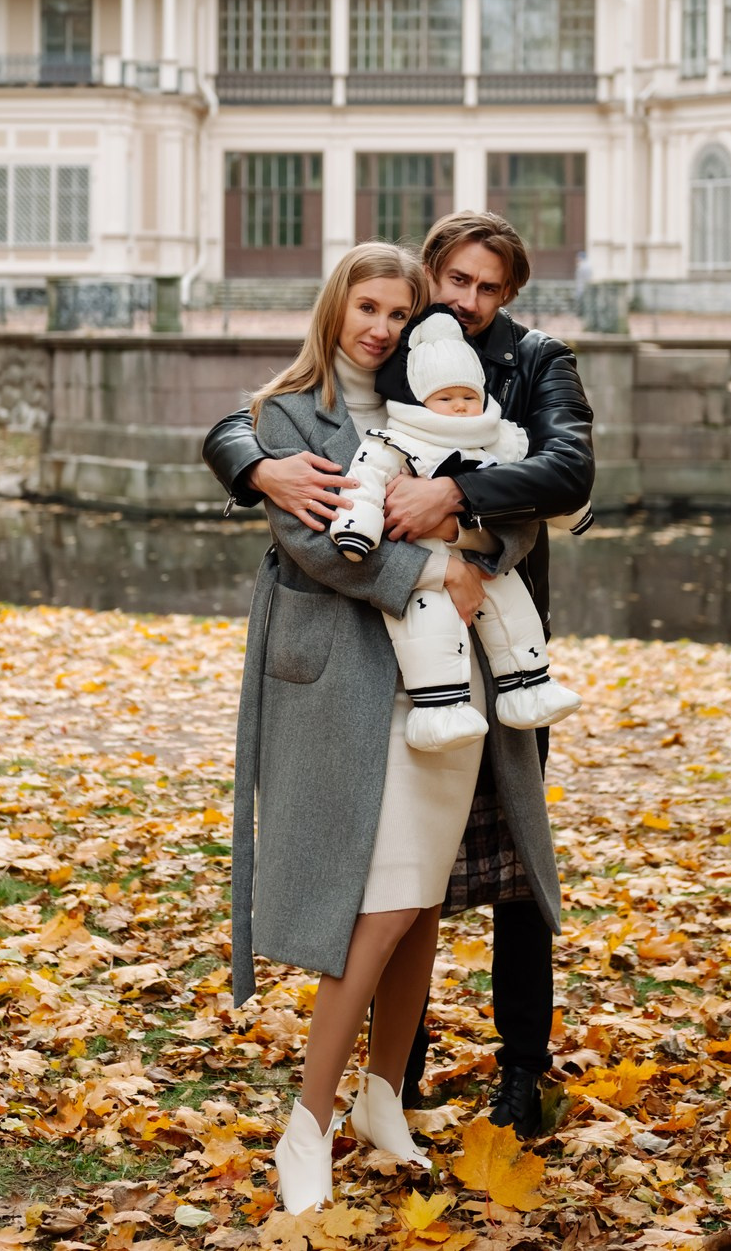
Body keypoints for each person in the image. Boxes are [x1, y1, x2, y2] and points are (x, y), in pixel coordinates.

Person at [206, 211, 595, 1138]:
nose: (464, 302)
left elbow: (564, 472)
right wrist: (252, 464)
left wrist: (458, 509)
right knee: (392, 882)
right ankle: (375, 1092)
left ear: (506, 295)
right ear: (428, 280)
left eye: (486, 287)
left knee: (485, 877)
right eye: (451, 283)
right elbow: (266, 418)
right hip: (368, 652)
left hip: (489, 645)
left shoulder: (522, 366)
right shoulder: (359, 372)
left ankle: (509, 1072)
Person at [330, 304, 582, 752]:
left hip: (484, 561)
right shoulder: (397, 438)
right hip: (419, 565)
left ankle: (530, 685)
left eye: (468, 397)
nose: (460, 408)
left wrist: (572, 512)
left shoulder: (498, 432)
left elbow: (541, 479)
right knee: (429, 628)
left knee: (512, 609)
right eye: (446, 399)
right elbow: (365, 484)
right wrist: (357, 525)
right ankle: (440, 710)